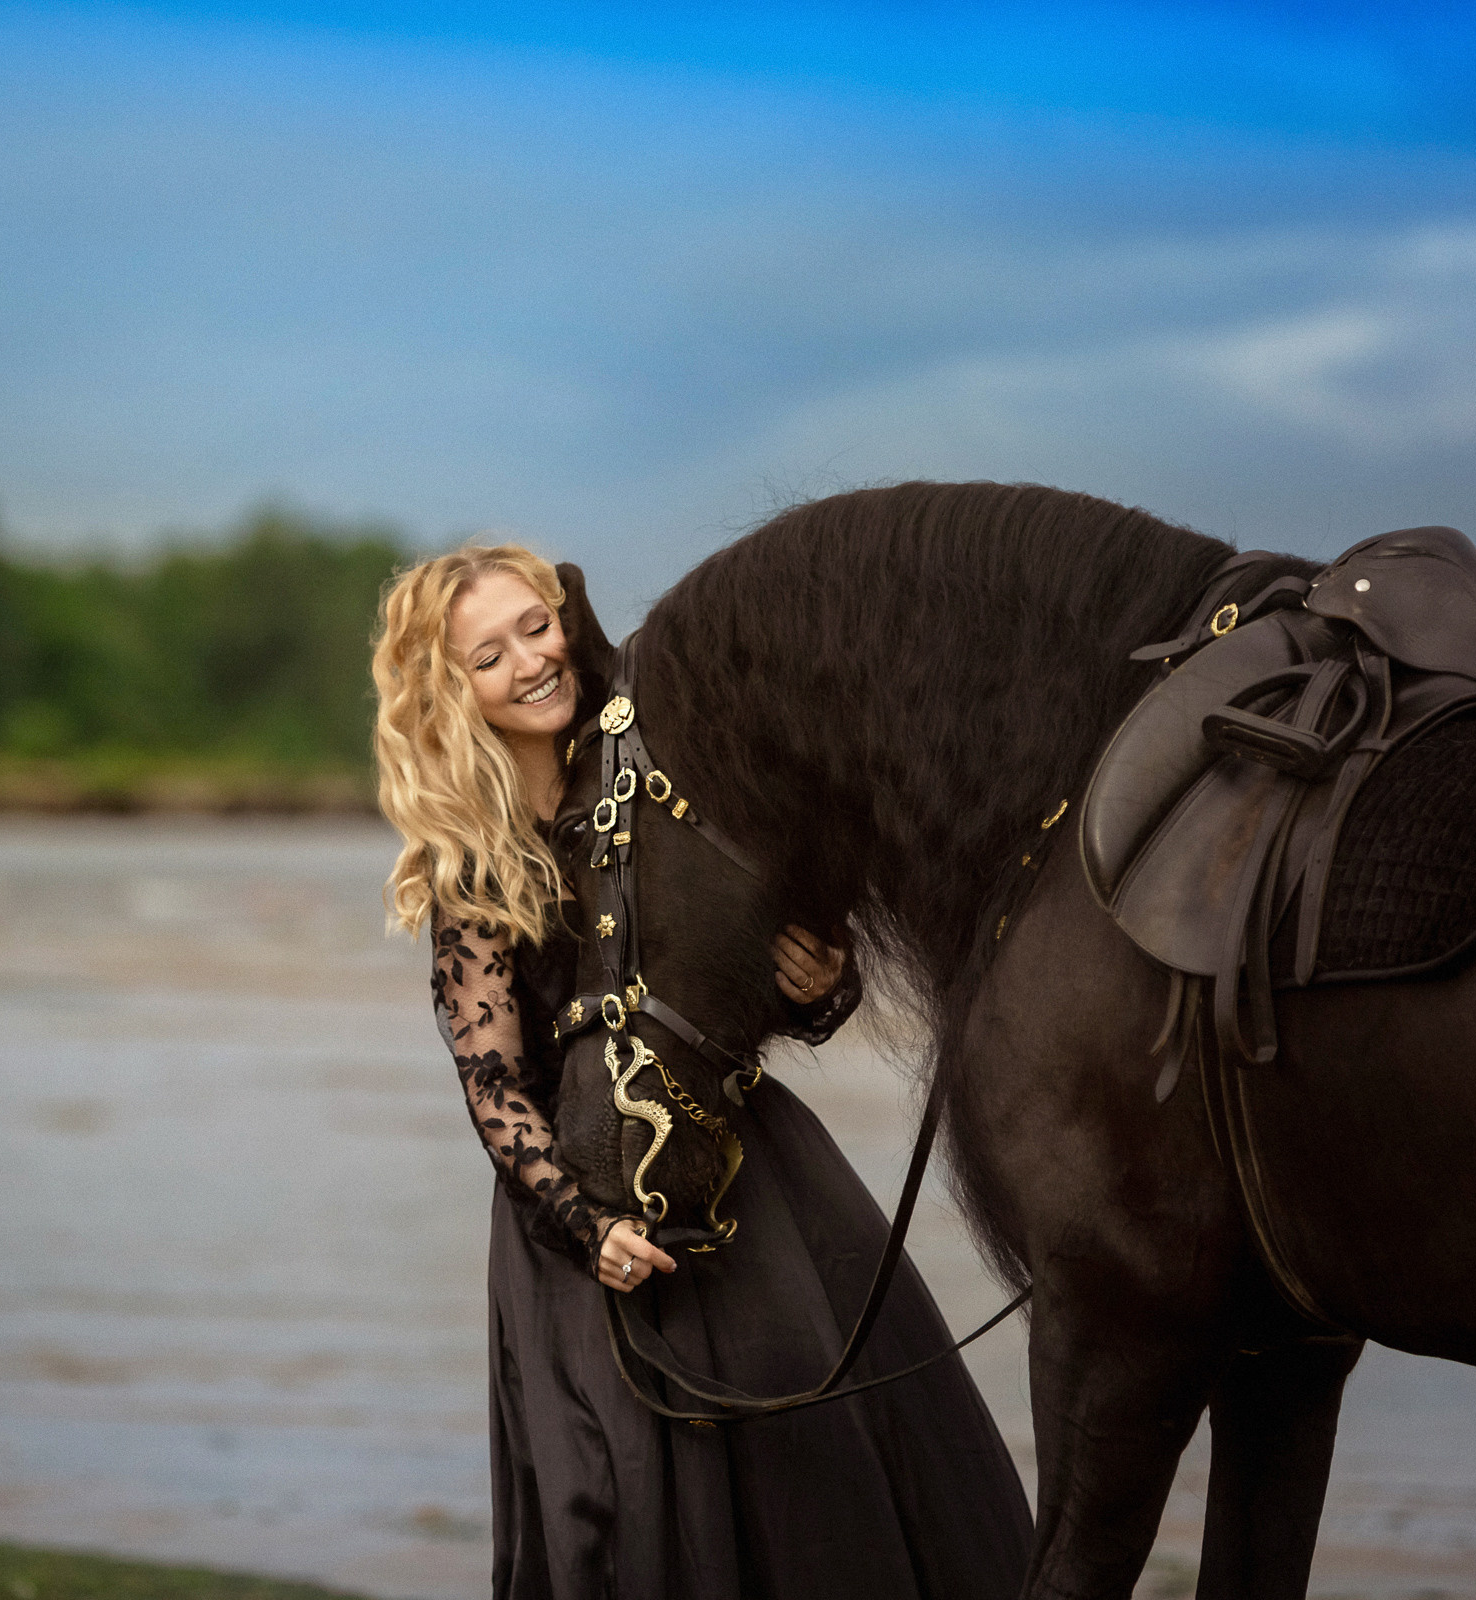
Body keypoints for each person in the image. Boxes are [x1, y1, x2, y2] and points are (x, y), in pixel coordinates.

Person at [373, 543, 1033, 1599]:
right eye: (488, 655)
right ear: (453, 694)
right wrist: (588, 1227)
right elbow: (493, 1086)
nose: (531, 661)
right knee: (623, 1501)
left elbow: (770, 970)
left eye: (535, 626)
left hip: (752, 1174)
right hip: (581, 1227)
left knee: (829, 1474)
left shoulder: (659, 765)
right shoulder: (473, 864)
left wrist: (816, 980)